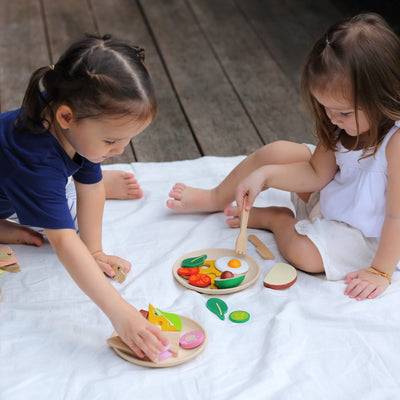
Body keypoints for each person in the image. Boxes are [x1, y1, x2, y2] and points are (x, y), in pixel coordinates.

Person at [167, 13, 400, 301]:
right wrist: (266, 176)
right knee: (276, 152)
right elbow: (316, 174)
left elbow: (395, 216)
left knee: (304, 256)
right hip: (337, 201)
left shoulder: (395, 142)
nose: (332, 118)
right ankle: (216, 197)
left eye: (343, 113)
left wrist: (380, 270)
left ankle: (278, 220)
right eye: (325, 107)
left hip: (374, 235)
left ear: (384, 96)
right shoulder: (339, 124)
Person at [0, 34, 168, 361]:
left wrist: (95, 251)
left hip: (12, 185)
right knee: (54, 215)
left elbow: (89, 185)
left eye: (127, 142)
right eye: (110, 141)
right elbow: (64, 242)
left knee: (80, 186)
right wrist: (120, 312)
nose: (120, 151)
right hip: (18, 178)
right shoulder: (36, 162)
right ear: (66, 118)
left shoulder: (74, 110)